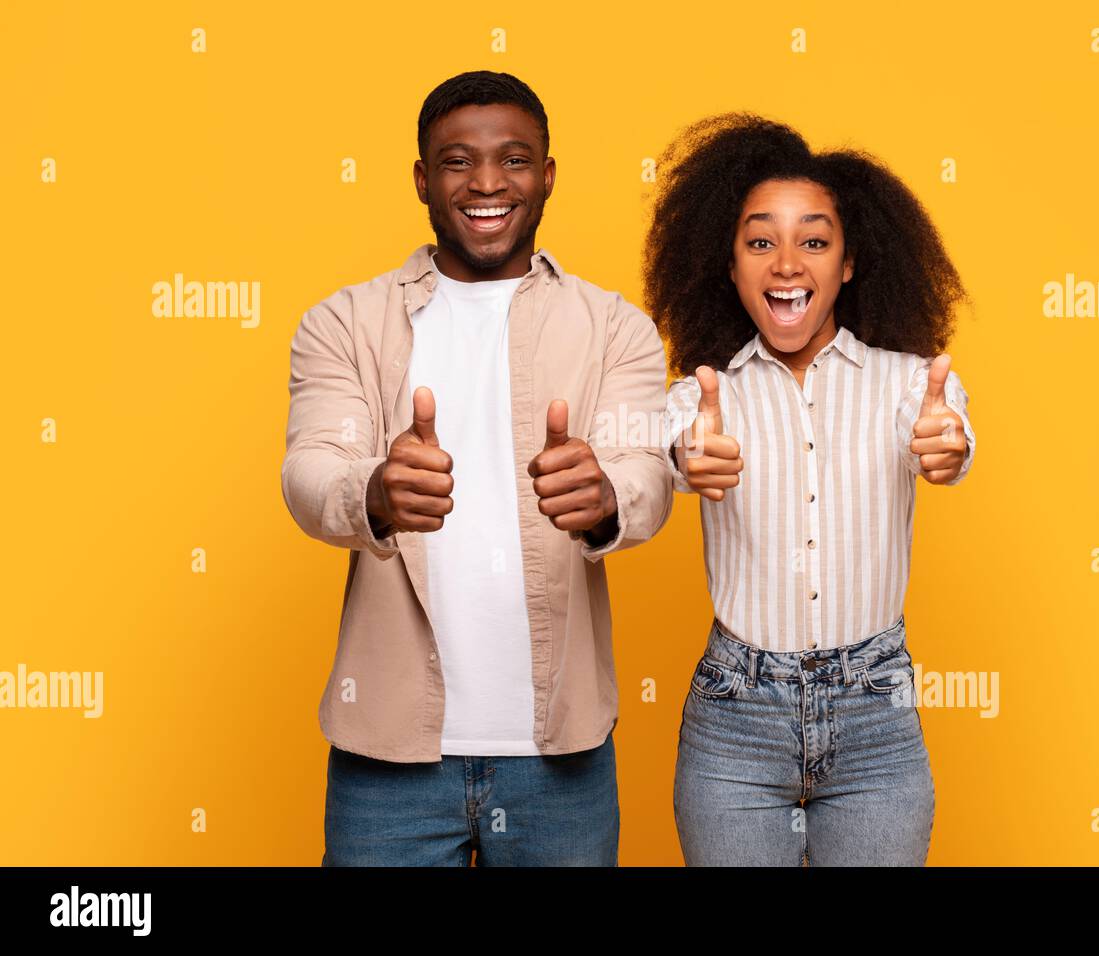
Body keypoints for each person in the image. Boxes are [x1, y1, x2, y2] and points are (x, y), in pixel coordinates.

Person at [280, 71, 673, 866]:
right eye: (458, 161)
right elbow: (309, 471)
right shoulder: (343, 323)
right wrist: (375, 493)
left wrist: (603, 498)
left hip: (562, 757)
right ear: (423, 178)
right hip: (387, 759)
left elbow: (649, 476)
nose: (487, 182)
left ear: (548, 174)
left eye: (514, 159)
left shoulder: (614, 328)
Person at [644, 113, 977, 866]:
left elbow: (945, 435)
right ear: (727, 266)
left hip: (875, 714)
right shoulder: (703, 395)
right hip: (735, 718)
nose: (787, 262)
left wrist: (946, 446)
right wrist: (685, 456)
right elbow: (669, 451)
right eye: (760, 241)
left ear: (850, 263)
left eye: (814, 241)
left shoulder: (908, 384)